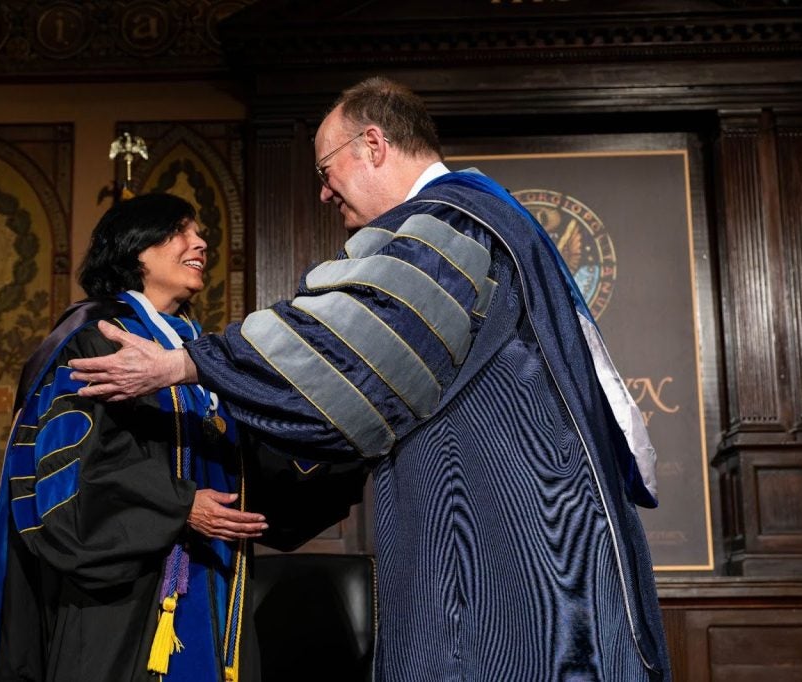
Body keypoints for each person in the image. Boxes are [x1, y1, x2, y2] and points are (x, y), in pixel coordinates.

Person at [69, 77, 672, 680]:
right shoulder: (482, 217)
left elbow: (346, 348)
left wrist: (183, 364)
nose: (326, 191)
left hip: (520, 543)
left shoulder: (450, 223)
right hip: (529, 526)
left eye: (327, 168)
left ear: (374, 144)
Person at [0, 193, 274, 682]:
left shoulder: (194, 352)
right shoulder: (94, 338)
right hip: (117, 602)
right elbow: (69, 477)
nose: (200, 242)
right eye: (180, 230)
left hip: (207, 586)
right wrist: (180, 504)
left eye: (198, 232)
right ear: (136, 250)